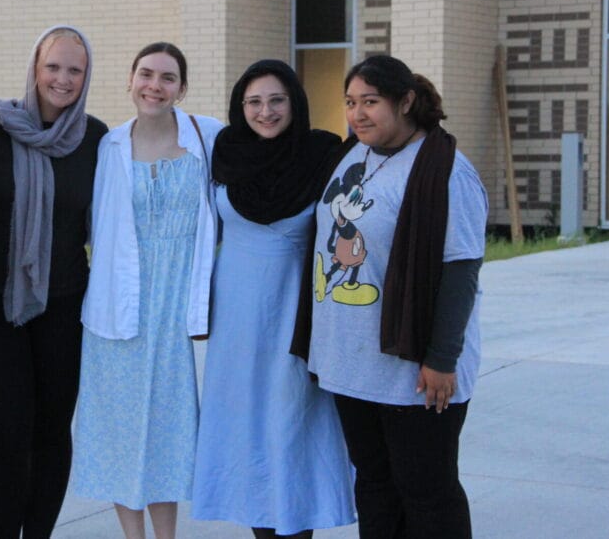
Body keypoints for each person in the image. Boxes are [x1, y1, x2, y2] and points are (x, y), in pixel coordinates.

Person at [296, 54, 488, 539]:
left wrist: (442, 358)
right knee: (376, 486)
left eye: (371, 102)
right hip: (352, 360)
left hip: (415, 369)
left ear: (406, 101)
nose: (358, 114)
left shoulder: (446, 171)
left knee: (427, 493)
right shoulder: (352, 153)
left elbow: (460, 270)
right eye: (350, 102)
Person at [192, 60, 355, 539]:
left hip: (295, 309)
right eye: (254, 102)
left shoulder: (325, 154)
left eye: (277, 100)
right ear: (240, 107)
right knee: (245, 427)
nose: (266, 112)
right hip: (236, 317)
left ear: (295, 103)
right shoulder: (224, 152)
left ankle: (295, 526)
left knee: (291, 422)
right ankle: (260, 527)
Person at [72, 42, 222, 539]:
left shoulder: (208, 138)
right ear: (131, 80)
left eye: (167, 77)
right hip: (120, 305)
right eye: (146, 74)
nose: (155, 86)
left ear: (183, 88)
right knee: (119, 429)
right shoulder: (108, 145)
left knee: (168, 428)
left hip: (178, 303)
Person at [0, 25, 107, 538]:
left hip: (66, 305)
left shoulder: (96, 139)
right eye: (53, 66)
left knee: (51, 434)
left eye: (75, 69)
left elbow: (113, 225)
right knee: (8, 437)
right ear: (34, 67)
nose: (62, 79)